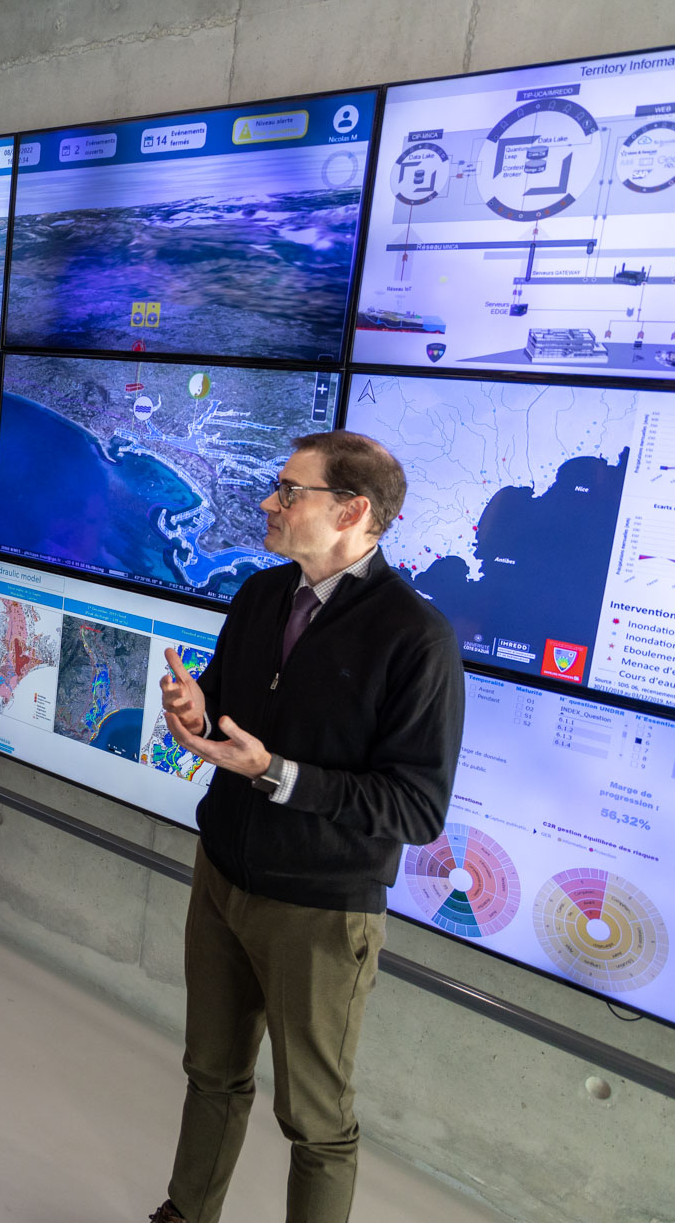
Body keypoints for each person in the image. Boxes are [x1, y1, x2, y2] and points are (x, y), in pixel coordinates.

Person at [147, 431, 465, 1223]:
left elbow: (416, 808)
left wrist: (274, 773)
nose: (269, 502)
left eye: (290, 491)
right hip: (222, 876)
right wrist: (196, 709)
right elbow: (228, 709)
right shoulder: (262, 595)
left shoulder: (417, 639)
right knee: (211, 1072)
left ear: (353, 511)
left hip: (321, 911)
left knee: (315, 1122)